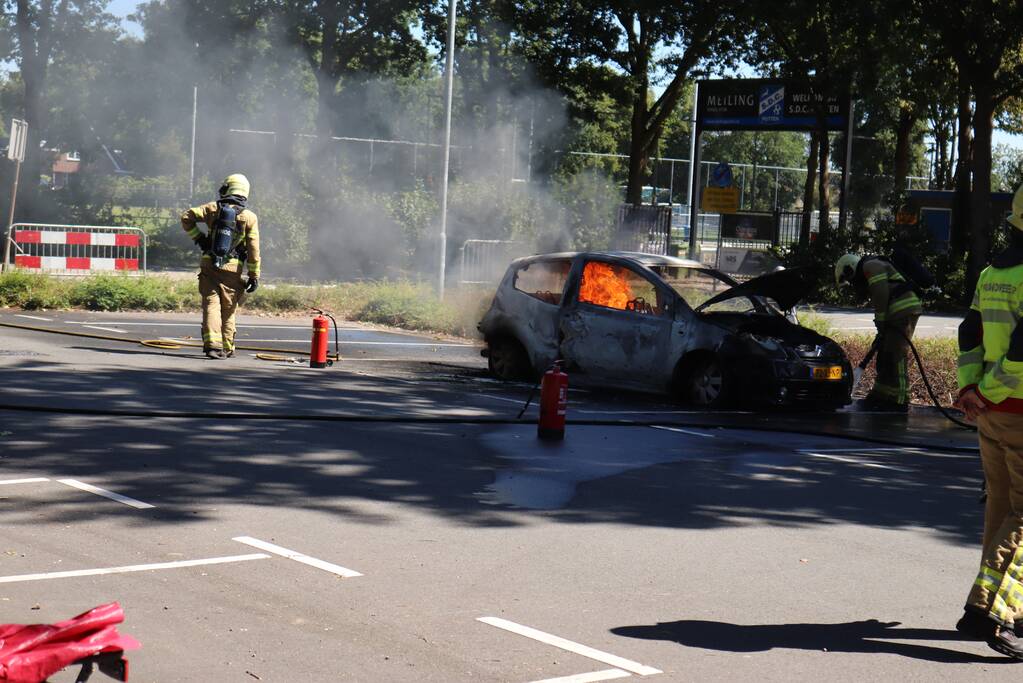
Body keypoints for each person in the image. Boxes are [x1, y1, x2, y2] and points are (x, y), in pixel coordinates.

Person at [952, 183, 1023, 659]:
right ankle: (990, 609)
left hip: (992, 416)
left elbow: (969, 330)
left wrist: (970, 390)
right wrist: (990, 390)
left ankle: (1008, 608)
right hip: (1017, 408)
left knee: (1000, 513)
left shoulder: (993, 271)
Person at [181, 173, 260, 359]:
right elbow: (253, 248)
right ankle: (227, 346)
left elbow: (186, 217)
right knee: (229, 308)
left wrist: (200, 239)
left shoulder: (211, 208)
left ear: (227, 188)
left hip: (209, 265)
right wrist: (254, 275)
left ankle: (213, 346)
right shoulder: (249, 217)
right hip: (233, 269)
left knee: (211, 305)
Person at [834, 252, 923, 411]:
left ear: (850, 268)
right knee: (885, 354)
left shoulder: (870, 266)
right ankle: (881, 395)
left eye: (850, 279)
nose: (853, 284)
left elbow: (881, 293)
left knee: (896, 355)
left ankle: (900, 400)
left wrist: (880, 321)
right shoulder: (871, 267)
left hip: (903, 310)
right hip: (895, 313)